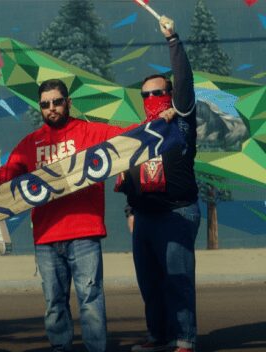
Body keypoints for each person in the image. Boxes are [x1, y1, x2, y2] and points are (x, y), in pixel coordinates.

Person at [0, 78, 143, 352]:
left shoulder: (90, 133)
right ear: (41, 108)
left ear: (67, 103)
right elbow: (4, 175)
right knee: (54, 304)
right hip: (46, 237)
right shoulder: (30, 143)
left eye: (57, 102)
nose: (52, 108)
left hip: (84, 233)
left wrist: (160, 119)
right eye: (45, 104)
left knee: (91, 300)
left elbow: (130, 135)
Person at [121, 16, 200, 352]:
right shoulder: (140, 133)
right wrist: (129, 209)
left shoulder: (180, 124)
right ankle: (159, 336)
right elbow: (129, 174)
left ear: (169, 94)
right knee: (150, 284)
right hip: (145, 217)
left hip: (177, 213)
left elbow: (184, 83)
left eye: (158, 92)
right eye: (146, 94)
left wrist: (173, 40)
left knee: (177, 281)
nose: (152, 97)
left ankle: (184, 340)